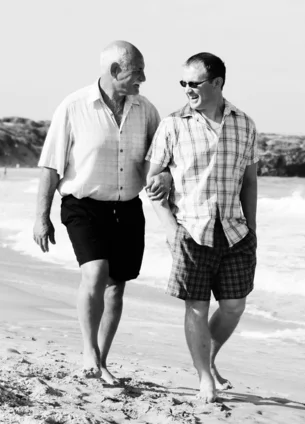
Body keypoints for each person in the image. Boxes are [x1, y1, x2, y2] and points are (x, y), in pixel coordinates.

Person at [33, 40, 169, 384]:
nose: (144, 78)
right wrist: (41, 216)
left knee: (116, 286)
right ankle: (88, 352)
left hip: (127, 208)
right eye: (137, 71)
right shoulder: (74, 106)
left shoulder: (146, 109)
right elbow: (50, 165)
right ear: (115, 71)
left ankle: (102, 362)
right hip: (84, 205)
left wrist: (165, 174)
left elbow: (161, 157)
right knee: (95, 274)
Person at [146, 52, 258, 403]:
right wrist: (169, 228)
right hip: (191, 231)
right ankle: (204, 377)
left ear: (217, 83)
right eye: (183, 84)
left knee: (234, 306)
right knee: (195, 307)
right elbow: (151, 182)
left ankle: (207, 357)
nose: (187, 90)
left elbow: (250, 182)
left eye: (194, 84)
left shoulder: (245, 124)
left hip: (235, 231)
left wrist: (252, 229)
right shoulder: (173, 124)